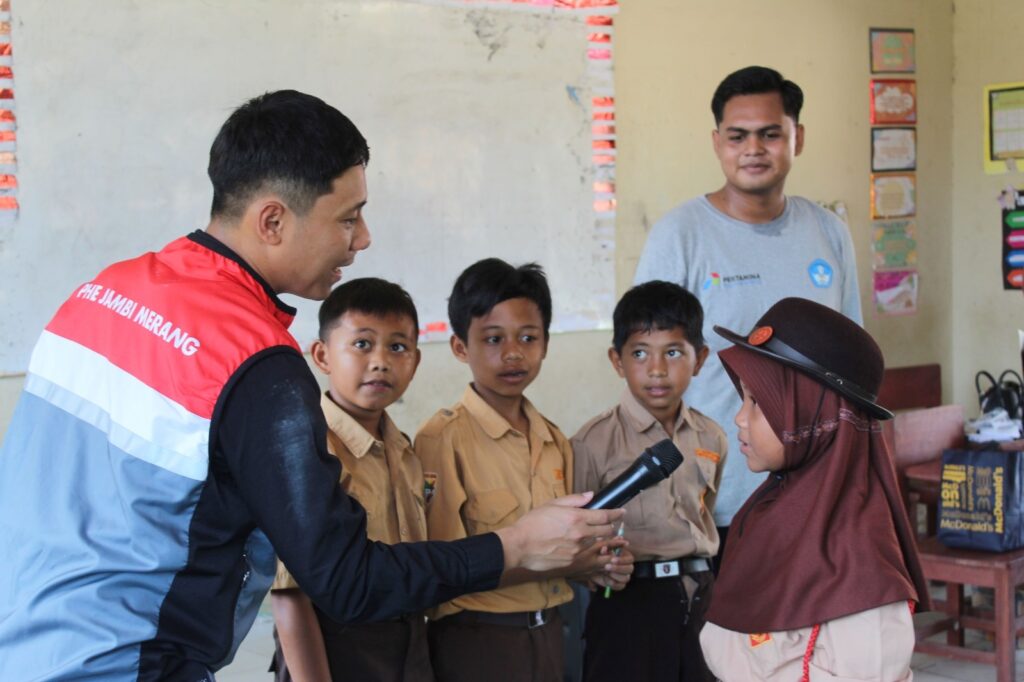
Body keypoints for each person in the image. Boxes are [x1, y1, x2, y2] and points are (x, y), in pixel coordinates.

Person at [0, 90, 628, 681]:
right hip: (122, 663)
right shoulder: (257, 363)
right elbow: (347, 581)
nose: (362, 239)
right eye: (348, 218)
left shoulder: (103, 292)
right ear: (272, 220)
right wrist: (517, 544)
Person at [633, 65, 862, 568]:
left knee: (805, 645)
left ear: (796, 137)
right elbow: (647, 370)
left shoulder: (829, 232)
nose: (753, 149)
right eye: (738, 136)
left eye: (770, 134)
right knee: (723, 643)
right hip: (715, 497)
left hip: (816, 493)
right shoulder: (680, 236)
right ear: (717, 142)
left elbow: (851, 371)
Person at [415, 258, 628, 682]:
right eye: (493, 339)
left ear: (545, 344)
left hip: (550, 630)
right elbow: (444, 569)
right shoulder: (443, 439)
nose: (513, 353)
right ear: (460, 347)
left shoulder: (554, 440)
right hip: (478, 640)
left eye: (528, 337)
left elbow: (567, 545)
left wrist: (596, 564)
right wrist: (567, 562)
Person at [698, 297, 929, 682]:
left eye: (758, 402)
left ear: (809, 414)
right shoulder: (761, 516)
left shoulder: (859, 571)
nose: (739, 417)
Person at [269, 278, 435, 681]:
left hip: (406, 646)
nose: (380, 361)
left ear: (414, 361)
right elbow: (289, 595)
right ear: (323, 356)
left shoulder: (405, 451)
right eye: (362, 344)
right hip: (331, 647)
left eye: (397, 347)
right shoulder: (307, 451)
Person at [573, 280, 726, 682]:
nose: (657, 369)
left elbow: (704, 512)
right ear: (617, 360)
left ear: (700, 359)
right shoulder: (592, 442)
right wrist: (595, 566)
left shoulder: (712, 437)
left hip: (700, 594)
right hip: (629, 603)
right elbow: (575, 536)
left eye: (673, 352)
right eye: (640, 353)